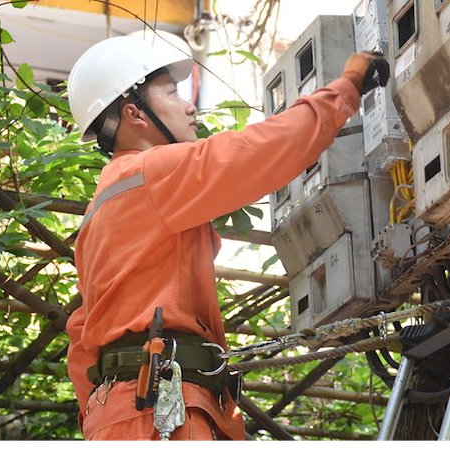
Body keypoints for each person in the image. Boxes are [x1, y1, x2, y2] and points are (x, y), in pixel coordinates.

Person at [65, 33, 387, 442]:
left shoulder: (103, 208)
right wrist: (348, 86)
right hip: (158, 412)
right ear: (135, 113)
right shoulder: (152, 173)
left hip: (125, 413)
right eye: (172, 92)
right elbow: (262, 150)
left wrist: (110, 416)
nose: (189, 106)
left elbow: (81, 338)